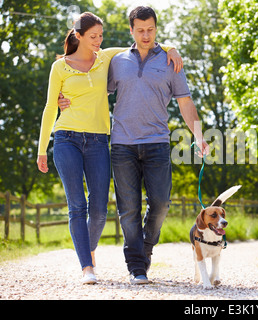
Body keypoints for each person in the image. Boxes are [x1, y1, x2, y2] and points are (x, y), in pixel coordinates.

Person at [37, 12, 182, 284]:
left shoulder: (106, 58)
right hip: (66, 138)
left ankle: (88, 249)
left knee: (101, 209)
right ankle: (86, 266)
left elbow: (144, 44)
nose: (98, 41)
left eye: (101, 36)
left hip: (98, 140)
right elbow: (49, 107)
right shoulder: (60, 68)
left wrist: (172, 48)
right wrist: (42, 148)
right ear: (78, 35)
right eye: (93, 36)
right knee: (77, 205)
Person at [107, 6, 209, 284]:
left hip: (157, 143)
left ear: (156, 29)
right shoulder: (117, 61)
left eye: (150, 29)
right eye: (140, 30)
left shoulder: (169, 61)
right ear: (131, 30)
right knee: (128, 209)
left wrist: (199, 135)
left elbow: (185, 102)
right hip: (122, 145)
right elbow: (94, 91)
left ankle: (145, 250)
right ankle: (136, 266)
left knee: (161, 203)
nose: (145, 35)